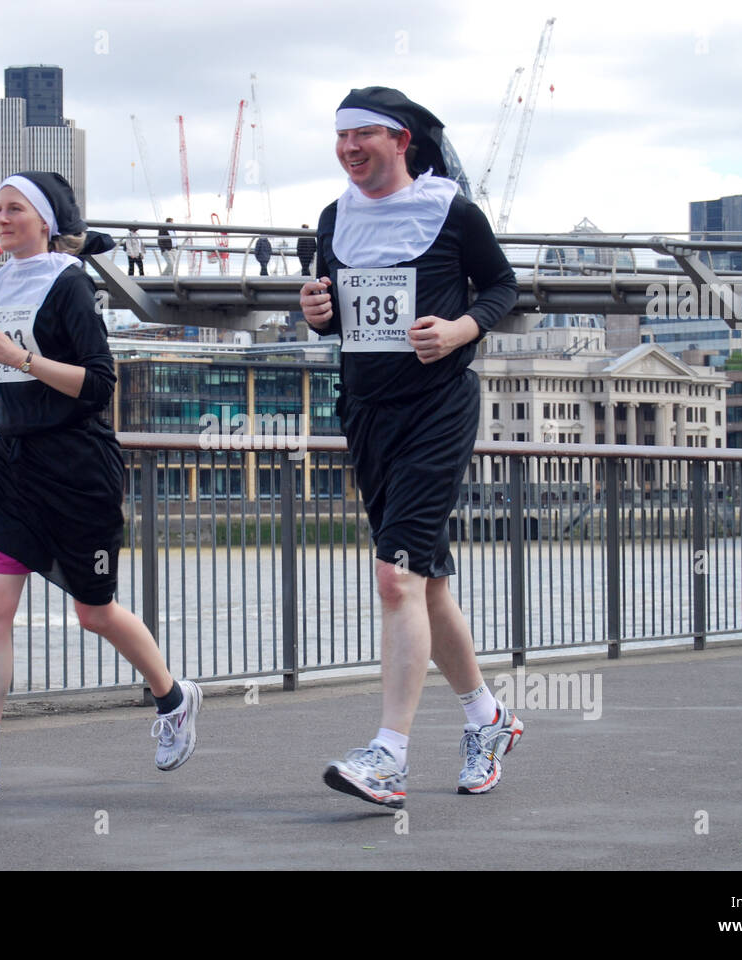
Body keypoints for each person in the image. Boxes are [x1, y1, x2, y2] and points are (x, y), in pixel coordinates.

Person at [0, 171, 202, 798]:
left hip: (77, 471)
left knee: (92, 612)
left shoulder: (69, 282)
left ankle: (174, 697)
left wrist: (17, 361)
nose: (0, 219)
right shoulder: (0, 281)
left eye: (13, 209)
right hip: (15, 466)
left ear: (45, 221)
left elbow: (99, 382)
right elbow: (35, 367)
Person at [299, 87, 521, 808]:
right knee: (423, 581)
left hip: (438, 406)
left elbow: (502, 287)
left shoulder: (451, 210)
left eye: (364, 135)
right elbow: (339, 321)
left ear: (402, 140)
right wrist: (317, 313)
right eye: (341, 138)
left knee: (394, 577)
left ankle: (389, 755)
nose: (349, 148)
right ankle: (488, 719)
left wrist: (461, 330)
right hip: (366, 411)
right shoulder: (334, 217)